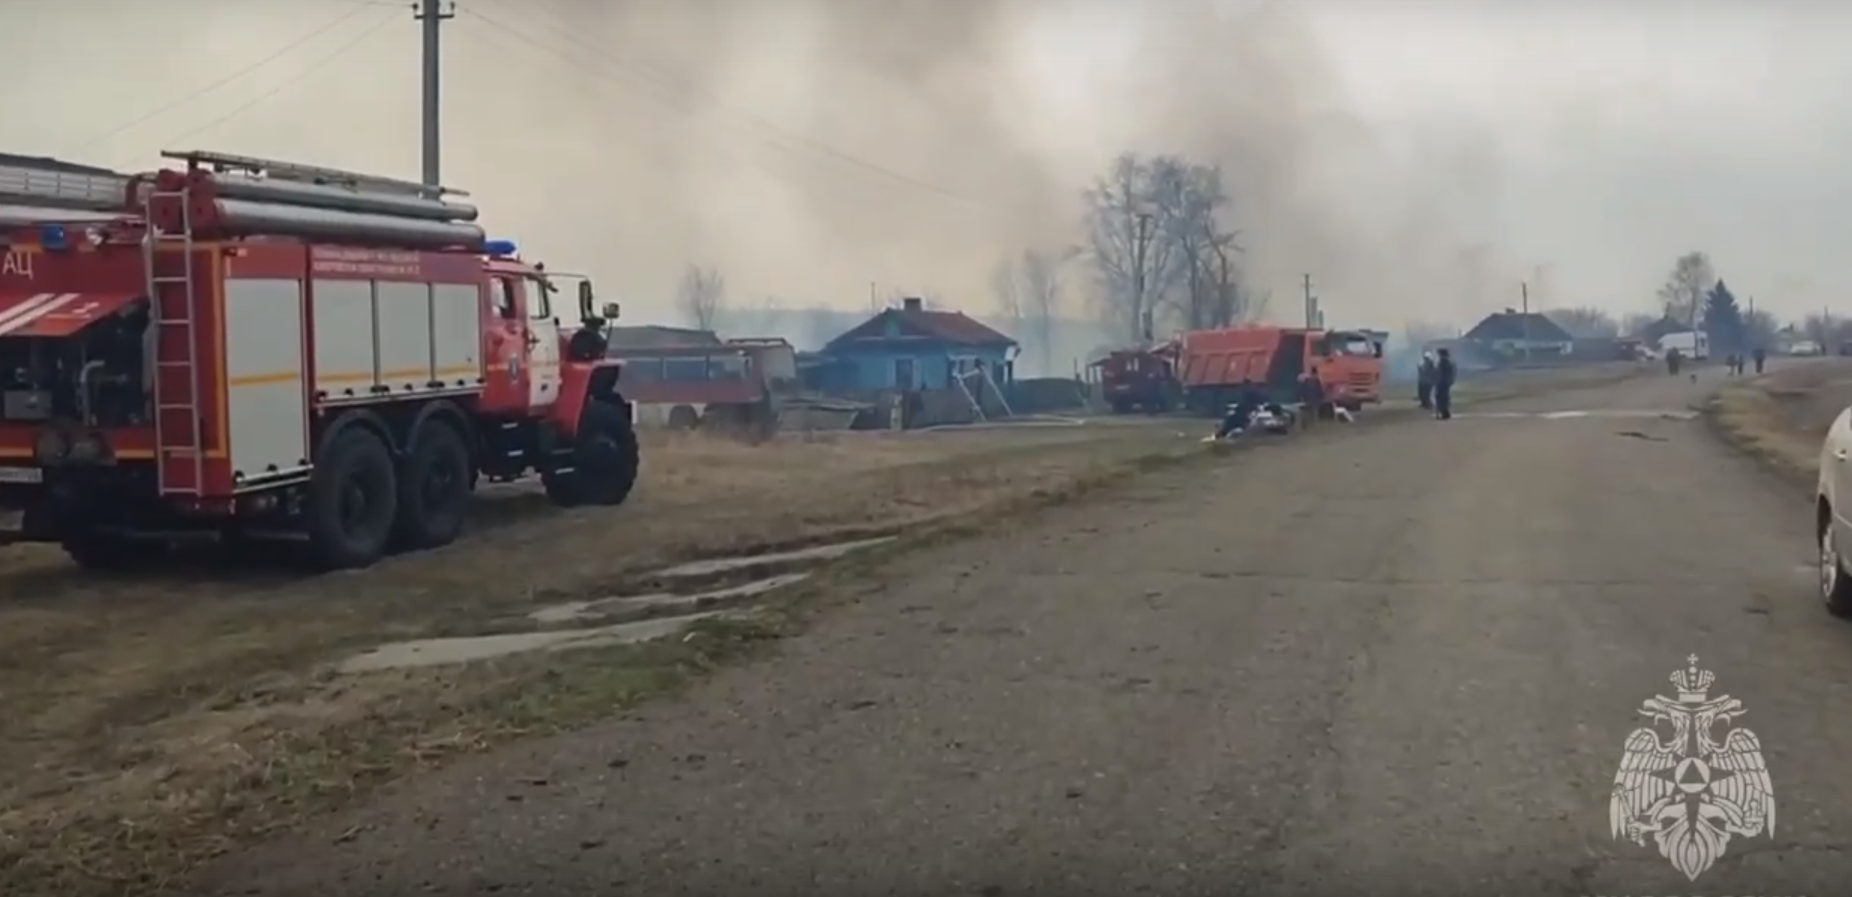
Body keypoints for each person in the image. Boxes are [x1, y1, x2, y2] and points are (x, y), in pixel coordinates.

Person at [1433, 347, 1456, 420]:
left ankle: (1444, 412)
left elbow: (1441, 373)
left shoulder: (1444, 362)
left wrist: (1438, 381)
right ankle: (1444, 412)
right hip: (1444, 382)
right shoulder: (1446, 362)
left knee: (1442, 398)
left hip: (1443, 382)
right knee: (1442, 397)